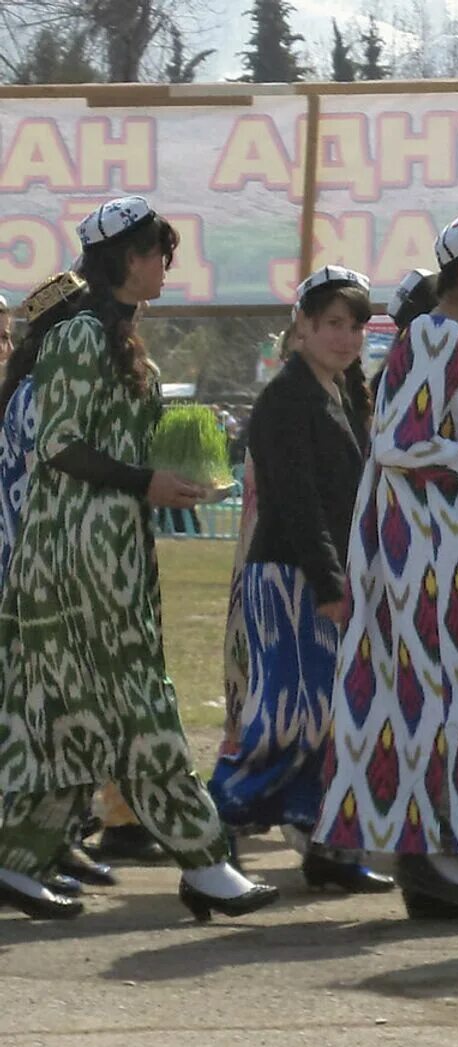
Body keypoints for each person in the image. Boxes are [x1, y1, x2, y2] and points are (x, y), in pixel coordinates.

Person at [0, 196, 278, 921]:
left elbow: (126, 441)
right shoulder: (80, 337)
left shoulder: (122, 339)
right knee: (140, 703)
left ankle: (15, 861)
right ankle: (205, 858)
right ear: (125, 256)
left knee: (70, 714)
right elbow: (59, 442)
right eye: (158, 251)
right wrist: (144, 481)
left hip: (110, 546)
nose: (166, 266)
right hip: (75, 554)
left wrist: (180, 465)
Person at [314, 207, 458, 921]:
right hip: (431, 562)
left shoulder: (457, 342)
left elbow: (430, 442)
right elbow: (396, 443)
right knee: (442, 701)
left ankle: (446, 850)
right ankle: (429, 857)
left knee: (450, 701)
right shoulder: (436, 336)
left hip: (448, 553)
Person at [210, 266, 392, 895]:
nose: (346, 338)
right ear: (303, 327)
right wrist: (330, 585)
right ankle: (208, 828)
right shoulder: (287, 397)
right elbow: (297, 503)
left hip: (320, 578)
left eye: (356, 325)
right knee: (290, 719)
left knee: (337, 720)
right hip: (292, 579)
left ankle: (329, 852)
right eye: (333, 324)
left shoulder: (339, 393)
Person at [0, 271, 118, 895]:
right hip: (37, 574)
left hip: (44, 569)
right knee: (49, 717)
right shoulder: (41, 396)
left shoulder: (36, 389)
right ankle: (31, 847)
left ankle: (58, 841)